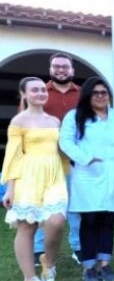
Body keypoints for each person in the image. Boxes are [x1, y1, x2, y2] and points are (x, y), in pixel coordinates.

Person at [59, 77, 114, 281]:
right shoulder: (75, 117)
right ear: (87, 95)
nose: (101, 96)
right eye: (96, 93)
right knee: (90, 220)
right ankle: (89, 266)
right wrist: (85, 158)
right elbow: (65, 141)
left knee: (108, 221)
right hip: (88, 175)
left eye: (104, 92)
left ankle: (104, 263)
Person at [2, 77, 68, 281]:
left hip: (54, 175)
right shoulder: (18, 122)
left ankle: (48, 261)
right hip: (27, 176)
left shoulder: (55, 121)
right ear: (24, 94)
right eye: (35, 90)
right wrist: (10, 189)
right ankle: (29, 278)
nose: (40, 93)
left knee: (56, 221)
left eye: (42, 89)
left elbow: (62, 151)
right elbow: (12, 156)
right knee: (26, 227)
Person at [33, 52, 81, 265]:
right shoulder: (38, 92)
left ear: (72, 70)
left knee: (76, 206)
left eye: (65, 66)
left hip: (75, 160)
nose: (61, 69)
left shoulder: (82, 94)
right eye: (56, 66)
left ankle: (78, 246)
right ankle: (39, 249)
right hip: (45, 159)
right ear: (50, 69)